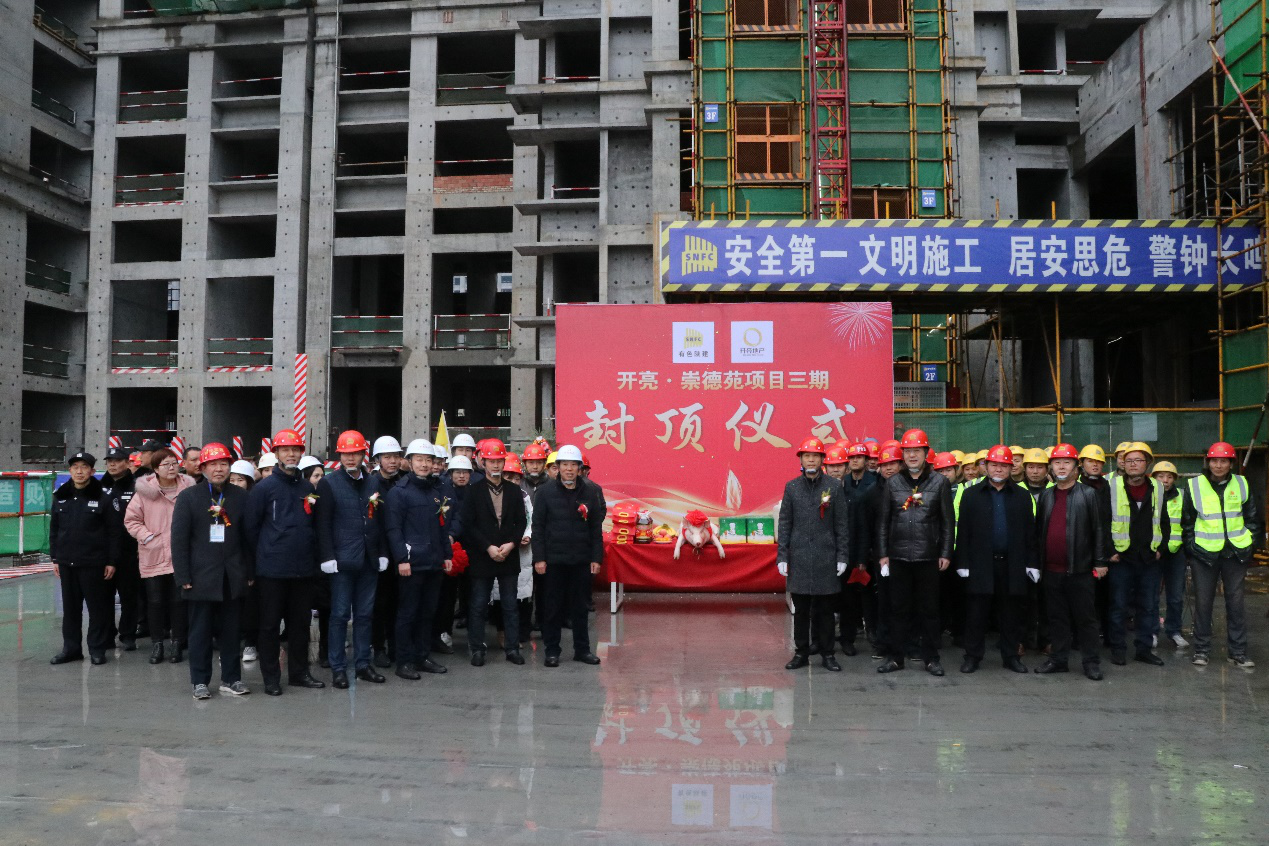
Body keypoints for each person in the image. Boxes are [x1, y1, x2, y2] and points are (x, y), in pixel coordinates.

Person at [244, 429, 324, 696]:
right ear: (276, 453)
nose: (291, 454)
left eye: (295, 449)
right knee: (269, 625)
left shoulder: (306, 487)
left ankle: (299, 673)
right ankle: (271, 678)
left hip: (303, 570)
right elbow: (251, 530)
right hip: (272, 571)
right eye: (285, 449)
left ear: (301, 453)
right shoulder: (263, 489)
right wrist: (258, 563)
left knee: (300, 625)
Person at [171, 443, 253, 699]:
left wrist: (249, 572)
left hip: (232, 576)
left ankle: (232, 678)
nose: (219, 469)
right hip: (200, 577)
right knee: (200, 633)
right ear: (203, 468)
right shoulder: (188, 497)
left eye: (223, 464)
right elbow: (179, 540)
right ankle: (199, 681)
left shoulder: (240, 497)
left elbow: (248, 538)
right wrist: (183, 575)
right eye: (213, 464)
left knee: (232, 632)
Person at [876, 429, 955, 677]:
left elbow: (947, 522)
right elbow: (883, 522)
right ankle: (895, 658)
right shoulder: (893, 483)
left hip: (928, 557)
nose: (912, 456)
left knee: (929, 611)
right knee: (898, 610)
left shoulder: (939, 483)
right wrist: (883, 554)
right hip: (898, 557)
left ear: (925, 453)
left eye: (917, 451)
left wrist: (945, 553)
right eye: (908, 451)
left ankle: (931, 659)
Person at [313, 431, 388, 688]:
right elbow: (323, 524)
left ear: (363, 455)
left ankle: (363, 664)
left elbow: (380, 520)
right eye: (345, 454)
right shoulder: (329, 483)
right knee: (340, 614)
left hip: (368, 559)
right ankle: (338, 667)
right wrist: (327, 556)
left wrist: (382, 553)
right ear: (339, 456)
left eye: (355, 453)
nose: (350, 458)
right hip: (342, 561)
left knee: (365, 614)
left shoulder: (373, 482)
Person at [953, 445, 1036, 674]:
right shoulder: (971, 495)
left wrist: (1032, 563)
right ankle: (972, 656)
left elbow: (1030, 533)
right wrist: (963, 563)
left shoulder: (1022, 496)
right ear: (986, 466)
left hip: (1012, 564)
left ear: (1011, 468)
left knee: (1010, 614)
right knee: (976, 614)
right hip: (980, 564)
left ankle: (1011, 657)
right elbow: (964, 532)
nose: (998, 469)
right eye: (994, 465)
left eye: (1003, 465)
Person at [1032, 443, 1109, 680]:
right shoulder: (1046, 495)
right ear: (1051, 468)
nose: (1062, 467)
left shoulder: (1088, 494)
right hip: (1051, 571)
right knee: (1057, 618)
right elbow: (1039, 532)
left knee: (1086, 619)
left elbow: (1098, 530)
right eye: (1057, 463)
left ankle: (1091, 662)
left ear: (1076, 467)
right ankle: (1059, 659)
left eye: (1067, 462)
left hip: (1080, 570)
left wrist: (1100, 561)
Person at [1183, 442, 1261, 669]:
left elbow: (1252, 518)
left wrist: (1249, 546)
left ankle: (1238, 653)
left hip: (1235, 553)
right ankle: (1201, 650)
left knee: (1236, 604)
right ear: (1208, 463)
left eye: (1223, 461)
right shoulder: (1194, 485)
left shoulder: (1242, 483)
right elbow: (1187, 522)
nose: (1218, 465)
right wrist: (1192, 548)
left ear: (1230, 464)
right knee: (1203, 604)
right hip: (1204, 554)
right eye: (1214, 461)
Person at [776, 437, 850, 672]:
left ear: (822, 460)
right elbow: (785, 524)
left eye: (815, 456)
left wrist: (842, 556)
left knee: (826, 611)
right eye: (806, 456)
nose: (811, 460)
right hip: (799, 557)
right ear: (800, 459)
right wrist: (783, 556)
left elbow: (841, 525)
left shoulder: (834, 487)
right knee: (801, 611)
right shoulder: (792, 487)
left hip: (826, 558)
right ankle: (801, 652)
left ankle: (828, 654)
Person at [532, 444, 604, 667]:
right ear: (558, 467)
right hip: (553, 561)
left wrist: (596, 558)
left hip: (581, 560)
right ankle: (552, 651)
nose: (569, 469)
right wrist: (539, 558)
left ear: (580, 468)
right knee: (552, 608)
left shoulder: (590, 492)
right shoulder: (545, 492)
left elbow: (596, 528)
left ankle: (582, 650)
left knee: (580, 608)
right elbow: (538, 527)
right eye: (565, 465)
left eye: (574, 465)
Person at [386, 438, 452, 679]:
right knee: (408, 614)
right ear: (409, 462)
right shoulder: (399, 492)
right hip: (411, 565)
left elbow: (442, 526)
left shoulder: (435, 492)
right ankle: (404, 661)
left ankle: (422, 656)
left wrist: (447, 554)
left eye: (428, 460)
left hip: (434, 562)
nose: (424, 464)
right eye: (419, 460)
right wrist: (401, 559)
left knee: (427, 613)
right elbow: (393, 529)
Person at [460, 439, 529, 666]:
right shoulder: (473, 491)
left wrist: (511, 544)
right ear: (483, 462)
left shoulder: (514, 490)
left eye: (499, 460)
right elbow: (468, 524)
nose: (496, 465)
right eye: (491, 461)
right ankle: (477, 649)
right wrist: (487, 547)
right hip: (483, 555)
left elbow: (521, 522)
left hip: (508, 554)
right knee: (479, 604)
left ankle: (512, 648)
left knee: (510, 604)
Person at [125, 448, 195, 664]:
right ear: (155, 469)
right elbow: (131, 520)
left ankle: (177, 643)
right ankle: (157, 644)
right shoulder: (144, 493)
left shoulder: (189, 489)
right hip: (153, 553)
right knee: (155, 602)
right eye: (166, 464)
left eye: (174, 463)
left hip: (182, 555)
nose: (171, 468)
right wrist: (147, 537)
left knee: (178, 601)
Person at [50, 452, 117, 666]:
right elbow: (54, 529)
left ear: (92, 471)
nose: (79, 471)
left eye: (84, 467)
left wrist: (111, 561)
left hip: (93, 563)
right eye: (75, 467)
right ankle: (71, 649)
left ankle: (97, 649)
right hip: (67, 562)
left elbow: (113, 532)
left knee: (97, 609)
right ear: (70, 470)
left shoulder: (103, 497)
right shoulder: (61, 496)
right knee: (70, 609)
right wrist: (55, 558)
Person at [1106, 442, 1166, 667]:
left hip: (1149, 558)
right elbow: (1102, 520)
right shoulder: (1111, 486)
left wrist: (1161, 549)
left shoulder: (1157, 487)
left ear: (1147, 463)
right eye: (1128, 460)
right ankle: (1118, 649)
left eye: (1138, 460)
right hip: (1121, 558)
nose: (1132, 464)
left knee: (1148, 607)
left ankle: (1144, 649)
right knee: (1118, 606)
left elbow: (1164, 520)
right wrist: (1109, 551)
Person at [839, 442, 879, 656]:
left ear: (866, 460)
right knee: (847, 596)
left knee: (868, 593)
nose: (855, 461)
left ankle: (872, 631)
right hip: (846, 548)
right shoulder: (842, 483)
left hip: (869, 547)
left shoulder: (875, 483)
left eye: (859, 457)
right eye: (852, 458)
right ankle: (849, 635)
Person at [102, 446, 142, 651]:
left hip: (129, 550)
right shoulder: (99, 487)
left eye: (117, 461)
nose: (112, 464)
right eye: (109, 461)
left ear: (128, 463)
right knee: (103, 596)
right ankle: (107, 634)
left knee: (129, 595)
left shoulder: (137, 487)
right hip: (104, 551)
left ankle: (128, 634)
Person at [494, 454, 534, 649]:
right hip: (499, 551)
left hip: (522, 553)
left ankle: (518, 633)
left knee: (522, 595)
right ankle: (502, 633)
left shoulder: (525, 497)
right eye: (508, 477)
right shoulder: (492, 495)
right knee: (500, 595)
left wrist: (527, 536)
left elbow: (530, 520)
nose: (512, 481)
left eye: (516, 478)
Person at [1151, 461, 1189, 649]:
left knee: (1175, 596)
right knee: (1151, 595)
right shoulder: (1149, 496)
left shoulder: (1182, 496)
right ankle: (1152, 631)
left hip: (1176, 552)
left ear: (1174, 479)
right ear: (1154, 478)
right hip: (1154, 552)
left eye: (1169, 477)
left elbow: (1188, 523)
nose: (1165, 480)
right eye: (1161, 476)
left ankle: (1174, 631)